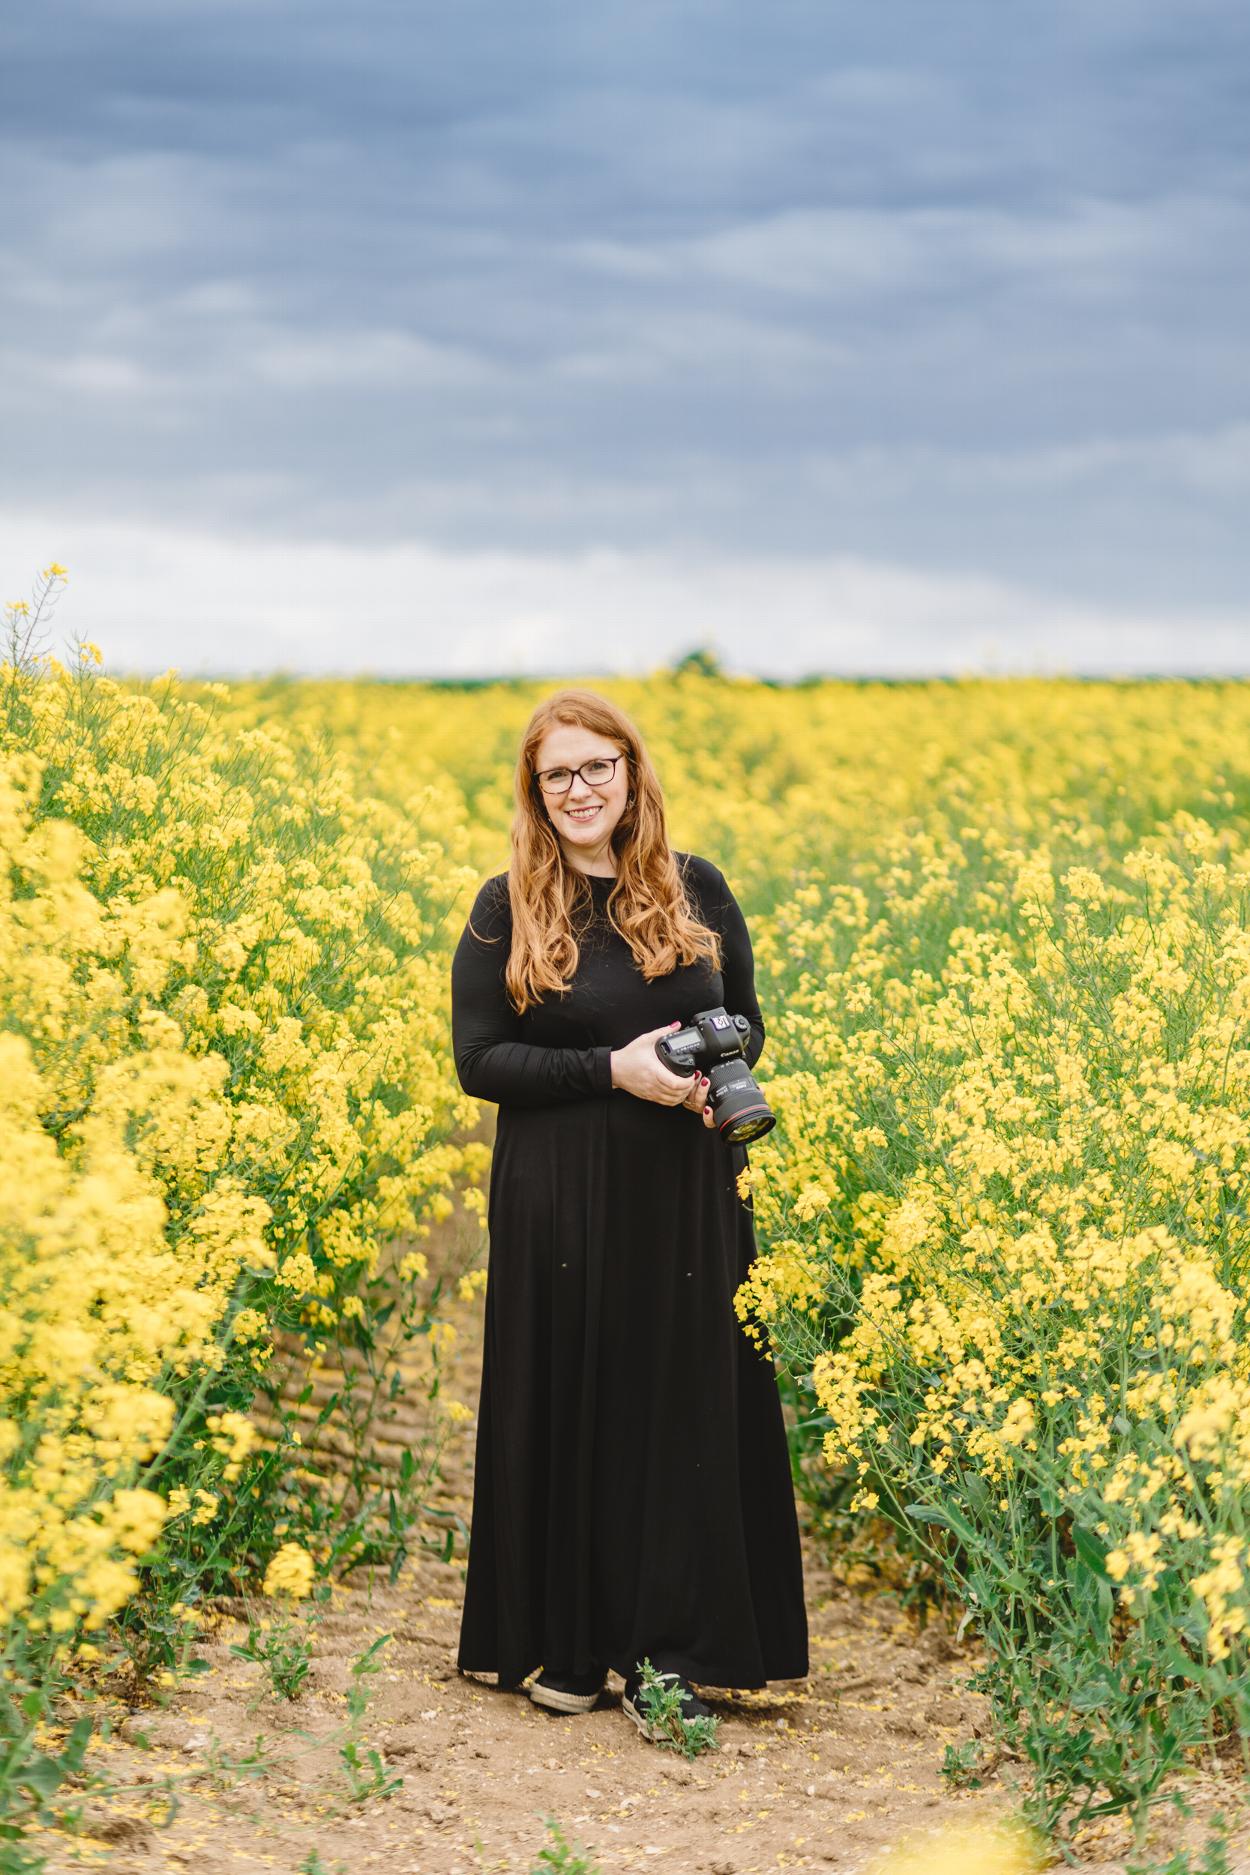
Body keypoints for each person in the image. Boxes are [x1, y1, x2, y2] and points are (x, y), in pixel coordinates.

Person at [449, 687, 808, 1742]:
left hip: (683, 1190)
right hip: (558, 1191)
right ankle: (569, 1639)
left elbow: (745, 1018)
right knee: (573, 1399)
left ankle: (674, 1657)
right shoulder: (502, 904)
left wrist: (703, 1067)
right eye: (556, 774)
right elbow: (480, 1063)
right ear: (533, 790)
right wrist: (615, 1069)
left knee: (679, 1408)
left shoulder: (694, 886)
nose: (578, 790)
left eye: (595, 768)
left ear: (630, 773)